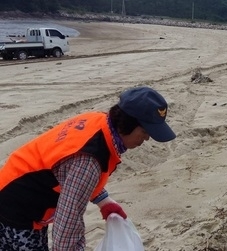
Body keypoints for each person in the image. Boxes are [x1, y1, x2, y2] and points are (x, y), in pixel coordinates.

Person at [0, 86, 177, 250]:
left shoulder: (99, 121)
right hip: (17, 207)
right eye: (145, 132)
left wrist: (104, 200)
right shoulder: (90, 160)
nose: (146, 139)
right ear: (128, 124)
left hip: (11, 184)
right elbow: (67, 222)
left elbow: (69, 172)